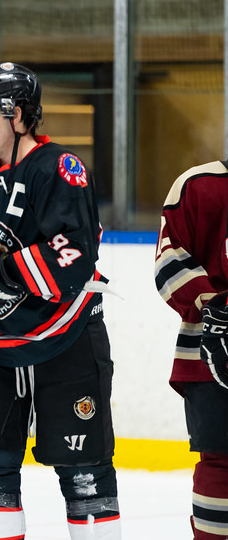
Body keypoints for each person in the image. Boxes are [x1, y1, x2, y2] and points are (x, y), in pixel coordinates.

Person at [0, 61, 121, 540]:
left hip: (65, 336)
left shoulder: (61, 168)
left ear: (17, 114)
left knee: (85, 476)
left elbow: (73, 254)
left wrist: (2, 270)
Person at [154, 158, 228, 539]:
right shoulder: (199, 184)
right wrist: (216, 308)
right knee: (219, 463)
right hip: (210, 357)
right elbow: (168, 262)